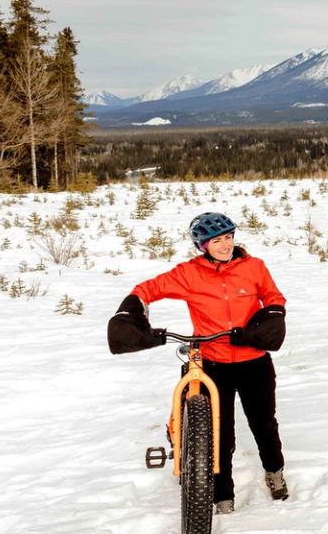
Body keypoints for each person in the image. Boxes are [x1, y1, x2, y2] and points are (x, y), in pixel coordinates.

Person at [109, 211, 290, 514]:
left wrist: (268, 320)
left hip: (254, 361)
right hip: (213, 362)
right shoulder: (189, 274)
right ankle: (222, 496)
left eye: (229, 237)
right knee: (220, 433)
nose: (225, 245)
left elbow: (274, 297)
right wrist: (131, 309)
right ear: (203, 245)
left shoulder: (254, 267)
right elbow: (148, 290)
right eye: (217, 240)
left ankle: (275, 473)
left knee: (264, 424)